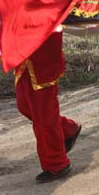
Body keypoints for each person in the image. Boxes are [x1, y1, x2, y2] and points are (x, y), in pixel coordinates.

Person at [15, 29, 83, 183]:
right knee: (24, 105)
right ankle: (67, 129)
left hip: (42, 55)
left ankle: (57, 164)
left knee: (43, 113)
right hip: (24, 53)